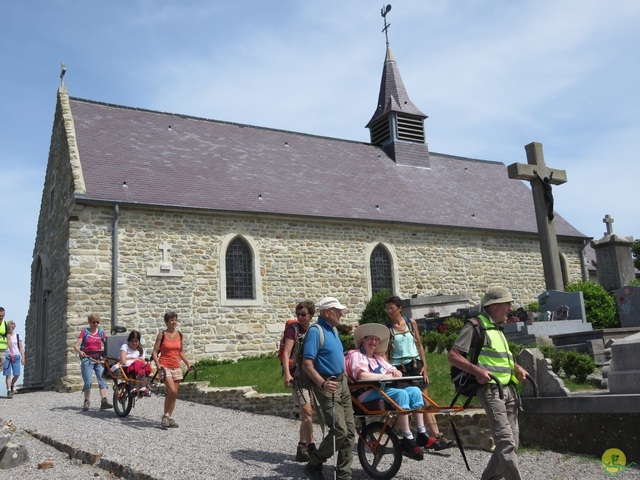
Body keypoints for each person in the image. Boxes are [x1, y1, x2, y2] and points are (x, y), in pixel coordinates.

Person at [448, 286, 530, 480]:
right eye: (507, 304)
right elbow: (453, 356)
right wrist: (477, 371)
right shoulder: (475, 326)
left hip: (509, 390)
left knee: (512, 443)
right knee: (506, 442)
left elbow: (501, 359)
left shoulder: (498, 329)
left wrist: (516, 367)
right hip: (491, 391)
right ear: (494, 306)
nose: (510, 308)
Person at [345, 323, 427, 461]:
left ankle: (421, 431)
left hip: (382, 390)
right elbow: (362, 376)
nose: (374, 342)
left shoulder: (379, 358)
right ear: (363, 339)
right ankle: (407, 436)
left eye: (376, 339)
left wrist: (395, 371)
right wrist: (385, 376)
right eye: (370, 339)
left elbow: (394, 371)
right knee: (401, 394)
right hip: (365, 394)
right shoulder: (357, 355)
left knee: (415, 391)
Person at [384, 295, 453, 450]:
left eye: (392, 308)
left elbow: (420, 345)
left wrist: (425, 366)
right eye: (387, 308)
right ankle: (411, 436)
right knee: (406, 402)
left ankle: (436, 436)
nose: (389, 311)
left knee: (425, 400)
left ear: (400, 309)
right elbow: (385, 353)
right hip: (399, 368)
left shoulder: (410, 323)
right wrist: (390, 369)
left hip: (415, 365)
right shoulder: (387, 328)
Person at [302, 297, 355, 480]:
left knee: (349, 432)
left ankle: (344, 476)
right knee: (339, 430)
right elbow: (307, 364)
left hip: (342, 384)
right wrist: (322, 383)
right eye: (337, 310)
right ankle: (314, 462)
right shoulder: (316, 332)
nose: (341, 313)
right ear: (326, 312)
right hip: (328, 385)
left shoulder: (333, 330)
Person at [281, 301, 316, 462]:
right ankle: (311, 447)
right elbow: (286, 354)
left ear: (311, 315)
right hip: (297, 376)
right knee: (307, 411)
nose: (300, 317)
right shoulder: (293, 330)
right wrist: (287, 374)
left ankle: (302, 447)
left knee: (308, 413)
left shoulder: (314, 330)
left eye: (304, 314)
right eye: (298, 314)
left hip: (312, 375)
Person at [152, 311, 192, 428]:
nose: (174, 322)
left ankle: (168, 417)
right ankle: (165, 415)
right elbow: (154, 352)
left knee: (174, 394)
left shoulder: (179, 335)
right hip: (165, 366)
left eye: (175, 320)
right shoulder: (161, 335)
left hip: (176, 366)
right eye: (171, 320)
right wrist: (158, 365)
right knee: (172, 391)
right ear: (166, 322)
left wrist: (187, 363)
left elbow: (180, 351)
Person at [73, 313, 113, 411]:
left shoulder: (100, 332)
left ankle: (104, 401)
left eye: (97, 322)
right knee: (88, 381)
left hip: (98, 359)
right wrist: (80, 351)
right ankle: (86, 401)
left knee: (102, 379)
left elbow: (107, 344)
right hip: (87, 358)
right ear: (89, 322)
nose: (95, 324)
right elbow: (76, 345)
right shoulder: (85, 332)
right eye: (93, 322)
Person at [118, 330, 152, 396]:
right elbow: (123, 361)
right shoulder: (125, 347)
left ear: (139, 341)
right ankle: (132, 388)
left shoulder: (141, 349)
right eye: (132, 341)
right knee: (132, 366)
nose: (134, 343)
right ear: (129, 341)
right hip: (125, 367)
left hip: (138, 368)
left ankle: (143, 387)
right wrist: (135, 359)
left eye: (136, 341)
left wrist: (136, 360)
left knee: (141, 366)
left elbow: (143, 361)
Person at [4, 321, 25, 398]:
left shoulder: (18, 336)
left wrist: (23, 357)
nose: (12, 327)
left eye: (13, 325)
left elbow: (21, 347)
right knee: (8, 374)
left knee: (17, 374)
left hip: (16, 356)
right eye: (10, 325)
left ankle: (12, 384)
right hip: (7, 356)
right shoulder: (5, 336)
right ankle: (9, 390)